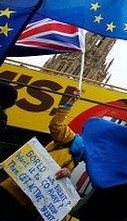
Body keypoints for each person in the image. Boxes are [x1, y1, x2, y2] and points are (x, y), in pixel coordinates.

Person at [0, 90, 85, 221]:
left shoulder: (76, 159)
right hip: (12, 190)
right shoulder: (71, 139)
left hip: (27, 204)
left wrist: (66, 174)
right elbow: (56, 125)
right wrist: (70, 102)